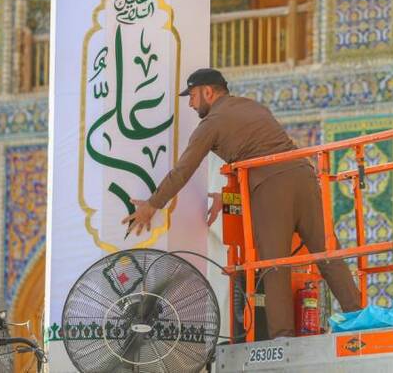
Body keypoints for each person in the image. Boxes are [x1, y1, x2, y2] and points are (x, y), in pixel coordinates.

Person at [123, 68, 361, 338]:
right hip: (304, 176)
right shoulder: (253, 106)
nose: (190, 103)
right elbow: (258, 148)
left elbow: (183, 170)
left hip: (272, 186)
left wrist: (152, 205)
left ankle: (283, 338)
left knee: (274, 264)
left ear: (208, 92)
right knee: (327, 252)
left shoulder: (212, 123)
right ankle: (358, 317)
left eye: (192, 96)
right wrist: (225, 196)